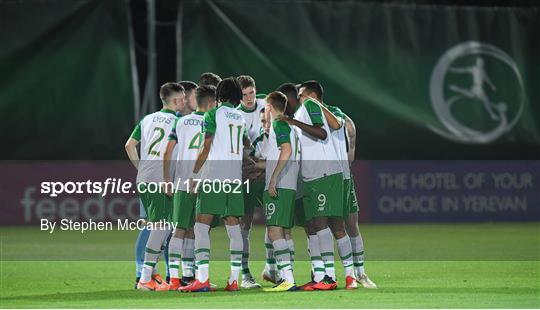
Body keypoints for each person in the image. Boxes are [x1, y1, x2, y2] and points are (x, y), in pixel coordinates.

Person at [179, 77, 250, 292]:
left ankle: (202, 279)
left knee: (201, 226)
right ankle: (234, 280)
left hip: (214, 176)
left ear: (219, 94)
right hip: (234, 178)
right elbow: (245, 144)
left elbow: (206, 146)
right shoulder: (240, 117)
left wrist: (194, 174)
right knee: (234, 227)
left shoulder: (213, 114)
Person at [278, 80, 350, 290]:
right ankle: (326, 276)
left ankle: (328, 277)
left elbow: (322, 133)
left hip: (323, 173)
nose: (298, 98)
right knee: (328, 225)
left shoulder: (309, 106)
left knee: (320, 224)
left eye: (301, 94)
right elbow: (334, 126)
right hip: (318, 174)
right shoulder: (307, 109)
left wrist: (295, 123)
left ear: (309, 95)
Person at [125, 82, 184, 291]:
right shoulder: (179, 121)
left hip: (145, 178)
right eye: (183, 98)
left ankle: (150, 275)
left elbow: (129, 145)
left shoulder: (147, 119)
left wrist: (141, 167)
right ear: (176, 101)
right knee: (161, 228)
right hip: (162, 180)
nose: (184, 102)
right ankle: (144, 278)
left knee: (157, 226)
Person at [162, 85, 217, 290]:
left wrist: (167, 177)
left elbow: (168, 151)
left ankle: (177, 278)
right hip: (204, 183)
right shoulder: (213, 123)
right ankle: (193, 276)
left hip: (182, 182)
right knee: (198, 230)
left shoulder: (181, 121)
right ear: (212, 103)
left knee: (179, 230)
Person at [261, 91, 300, 292]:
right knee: (285, 231)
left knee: (274, 230)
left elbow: (286, 150)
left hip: (281, 184)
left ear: (269, 107)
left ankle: (287, 279)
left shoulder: (278, 123)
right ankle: (288, 276)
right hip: (290, 184)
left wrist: (274, 177)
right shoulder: (291, 126)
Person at [235, 75, 266, 288]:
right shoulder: (235, 116)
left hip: (269, 172)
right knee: (244, 225)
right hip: (246, 174)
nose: (249, 98)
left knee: (278, 222)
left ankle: (273, 268)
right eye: (244, 94)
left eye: (251, 93)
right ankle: (245, 275)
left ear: (256, 90)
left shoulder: (266, 105)